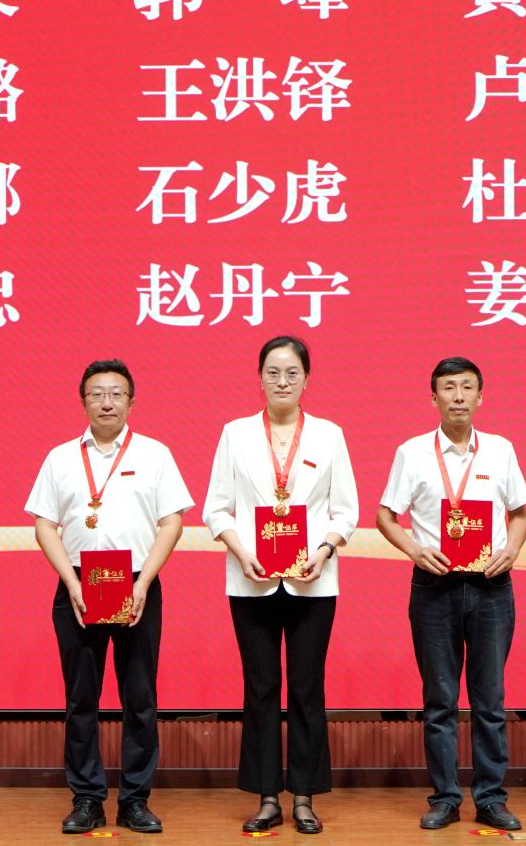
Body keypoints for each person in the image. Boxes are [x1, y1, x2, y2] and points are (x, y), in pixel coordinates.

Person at [25, 359, 193, 835]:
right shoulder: (60, 458)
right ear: (83, 402)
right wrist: (72, 582)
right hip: (79, 583)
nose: (106, 402)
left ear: (131, 402)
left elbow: (172, 522)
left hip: (137, 582)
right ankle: (87, 799)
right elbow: (44, 525)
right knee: (81, 698)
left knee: (140, 697)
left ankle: (135, 800)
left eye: (116, 394)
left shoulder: (155, 454)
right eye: (97, 394)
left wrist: (143, 583)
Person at [203, 335, 358, 835]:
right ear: (260, 378)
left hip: (313, 581)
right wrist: (241, 552)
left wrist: (324, 550)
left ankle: (305, 796)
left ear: (307, 379)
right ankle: (268, 796)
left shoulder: (329, 435)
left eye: (292, 373)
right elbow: (216, 508)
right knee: (261, 687)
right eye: (273, 372)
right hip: (252, 580)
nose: (283, 381)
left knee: (308, 689)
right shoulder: (235, 434)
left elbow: (346, 511)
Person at [375, 356, 526, 832]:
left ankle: (491, 798)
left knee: (490, 700)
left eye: (466, 387)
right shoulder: (412, 452)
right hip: (435, 587)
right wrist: (415, 550)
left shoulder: (500, 449)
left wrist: (512, 550)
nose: (458, 396)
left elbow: (521, 513)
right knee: (440, 700)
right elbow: (385, 515)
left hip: (490, 586)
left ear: (481, 396)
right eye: (448, 387)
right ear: (433, 397)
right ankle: (444, 798)